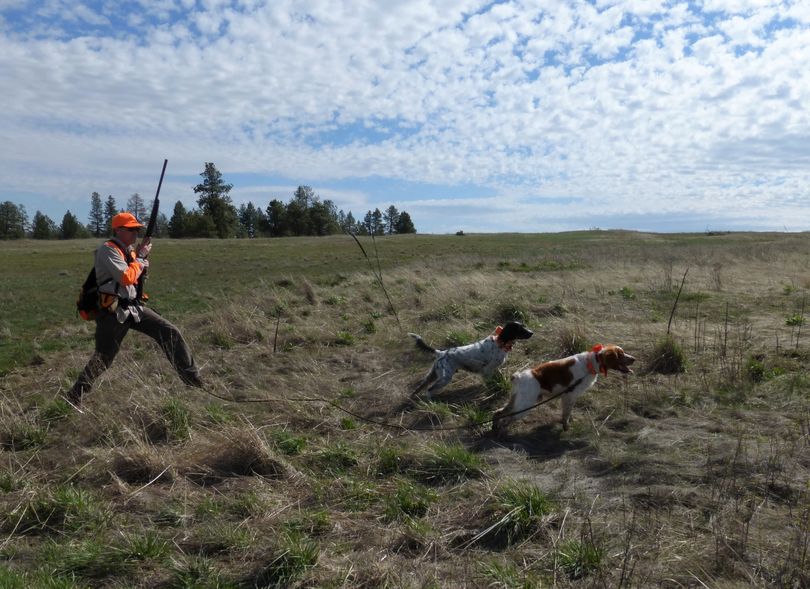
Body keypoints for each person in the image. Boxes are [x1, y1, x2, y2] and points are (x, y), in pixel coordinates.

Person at [67, 212, 203, 408]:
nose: (135, 233)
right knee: (104, 358)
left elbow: (136, 282)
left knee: (169, 332)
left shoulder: (129, 251)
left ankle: (194, 381)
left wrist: (141, 262)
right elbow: (125, 278)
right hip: (112, 313)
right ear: (118, 230)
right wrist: (140, 258)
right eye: (131, 229)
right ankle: (74, 394)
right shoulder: (108, 250)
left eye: (137, 229)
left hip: (132, 308)